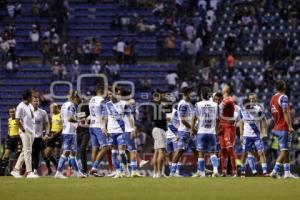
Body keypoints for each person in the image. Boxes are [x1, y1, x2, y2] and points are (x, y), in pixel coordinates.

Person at [54, 91, 87, 179]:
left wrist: (78, 117)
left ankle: (78, 172)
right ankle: (58, 172)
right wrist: (79, 121)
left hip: (67, 131)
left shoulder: (64, 105)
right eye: (77, 98)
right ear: (74, 97)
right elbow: (70, 118)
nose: (78, 100)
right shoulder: (71, 106)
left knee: (73, 153)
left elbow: (64, 118)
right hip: (69, 132)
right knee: (66, 152)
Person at [269, 80, 296, 178]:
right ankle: (274, 171)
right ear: (284, 87)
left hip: (276, 127)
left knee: (286, 149)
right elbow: (285, 111)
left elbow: (272, 112)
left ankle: (287, 172)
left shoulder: (272, 98)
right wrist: (289, 125)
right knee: (284, 150)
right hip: (283, 127)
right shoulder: (284, 97)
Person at [103, 87, 132, 178]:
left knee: (122, 152)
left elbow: (129, 117)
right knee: (114, 152)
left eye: (111, 94)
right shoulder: (107, 104)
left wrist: (132, 128)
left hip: (121, 131)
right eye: (108, 94)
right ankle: (118, 172)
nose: (109, 96)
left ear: (116, 93)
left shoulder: (123, 104)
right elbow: (105, 117)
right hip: (111, 131)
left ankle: (126, 168)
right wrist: (103, 127)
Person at [191, 87, 219, 177]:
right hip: (212, 132)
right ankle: (215, 170)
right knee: (213, 153)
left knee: (201, 152)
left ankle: (202, 173)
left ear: (202, 95)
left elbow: (194, 118)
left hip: (201, 131)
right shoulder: (215, 105)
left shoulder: (198, 104)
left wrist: (192, 129)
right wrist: (216, 129)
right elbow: (218, 119)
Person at [11, 90, 39, 178]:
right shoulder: (20, 106)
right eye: (31, 96)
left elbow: (32, 118)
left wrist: (33, 130)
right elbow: (17, 120)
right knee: (28, 151)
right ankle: (29, 172)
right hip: (25, 131)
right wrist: (23, 130)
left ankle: (15, 170)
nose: (33, 97)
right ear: (28, 97)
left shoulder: (30, 105)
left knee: (24, 151)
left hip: (31, 131)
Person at [239, 98, 268, 177]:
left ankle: (265, 172)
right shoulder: (241, 110)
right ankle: (242, 172)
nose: (246, 108)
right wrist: (241, 134)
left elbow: (264, 120)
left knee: (261, 153)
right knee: (244, 154)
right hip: (246, 136)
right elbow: (241, 122)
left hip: (256, 136)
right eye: (245, 106)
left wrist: (264, 132)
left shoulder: (258, 109)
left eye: (248, 106)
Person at [169, 87, 193, 177]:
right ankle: (173, 172)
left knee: (196, 150)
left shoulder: (187, 104)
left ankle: (201, 169)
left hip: (187, 131)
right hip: (184, 131)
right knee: (179, 151)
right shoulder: (183, 104)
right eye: (191, 93)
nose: (192, 95)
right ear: (187, 93)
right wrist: (192, 128)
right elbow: (183, 120)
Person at [88, 85, 109, 177]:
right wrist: (104, 127)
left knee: (95, 148)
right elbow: (103, 116)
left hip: (91, 126)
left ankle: (94, 170)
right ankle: (94, 168)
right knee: (105, 147)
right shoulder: (102, 101)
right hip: (98, 126)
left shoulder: (92, 100)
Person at [122, 90, 143, 177]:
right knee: (132, 150)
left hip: (123, 129)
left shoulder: (120, 104)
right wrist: (133, 129)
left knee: (124, 151)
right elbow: (131, 117)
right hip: (128, 129)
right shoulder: (126, 103)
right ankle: (133, 171)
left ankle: (124, 170)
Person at [218, 84, 237, 177]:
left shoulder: (229, 100)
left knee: (230, 148)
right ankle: (224, 171)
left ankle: (234, 171)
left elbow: (218, 109)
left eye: (224, 87)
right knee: (223, 150)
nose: (222, 87)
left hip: (228, 127)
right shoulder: (223, 100)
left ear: (227, 90)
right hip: (221, 127)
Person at [31, 97, 51, 175]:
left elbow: (47, 123)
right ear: (31, 102)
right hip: (30, 137)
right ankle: (29, 170)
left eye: (37, 101)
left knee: (40, 154)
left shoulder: (43, 112)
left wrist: (46, 134)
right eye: (34, 101)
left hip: (39, 137)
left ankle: (35, 170)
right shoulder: (28, 112)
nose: (36, 102)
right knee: (31, 155)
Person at [151, 89, 168, 178]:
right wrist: (165, 119)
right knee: (161, 151)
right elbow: (155, 118)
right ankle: (159, 173)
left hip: (157, 129)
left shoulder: (156, 105)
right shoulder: (156, 105)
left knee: (157, 152)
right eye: (162, 94)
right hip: (159, 129)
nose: (163, 96)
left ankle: (155, 173)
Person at [0, 108, 22, 176]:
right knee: (5, 155)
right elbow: (9, 130)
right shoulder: (9, 120)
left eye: (13, 112)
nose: (12, 113)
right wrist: (8, 137)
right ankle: (2, 171)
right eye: (10, 112)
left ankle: (18, 171)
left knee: (20, 155)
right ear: (9, 113)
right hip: (10, 139)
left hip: (18, 138)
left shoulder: (18, 120)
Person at [44, 103, 62, 173]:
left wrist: (55, 134)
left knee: (57, 152)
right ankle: (56, 165)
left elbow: (62, 126)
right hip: (52, 134)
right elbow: (49, 125)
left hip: (58, 135)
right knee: (47, 154)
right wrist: (47, 134)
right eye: (50, 109)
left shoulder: (61, 114)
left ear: (56, 108)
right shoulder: (51, 115)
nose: (51, 110)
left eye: (52, 109)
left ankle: (59, 170)